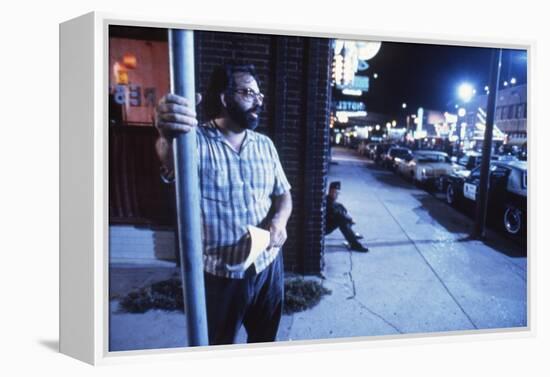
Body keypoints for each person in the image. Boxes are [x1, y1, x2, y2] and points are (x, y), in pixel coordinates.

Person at [154, 63, 292, 345]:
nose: (258, 100)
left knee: (266, 341)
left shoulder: (265, 144)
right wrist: (167, 135)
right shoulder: (194, 141)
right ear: (225, 98)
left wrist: (279, 221)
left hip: (268, 267)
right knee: (219, 346)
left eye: (259, 95)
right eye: (248, 92)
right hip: (221, 275)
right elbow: (167, 159)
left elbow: (283, 195)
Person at [325, 181, 368, 252]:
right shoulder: (329, 202)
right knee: (342, 220)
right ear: (331, 192)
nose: (337, 195)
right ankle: (355, 245)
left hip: (324, 224)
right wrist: (350, 219)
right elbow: (337, 213)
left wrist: (348, 217)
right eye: (336, 193)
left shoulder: (330, 200)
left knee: (342, 212)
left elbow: (340, 209)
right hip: (324, 228)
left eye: (338, 193)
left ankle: (352, 235)